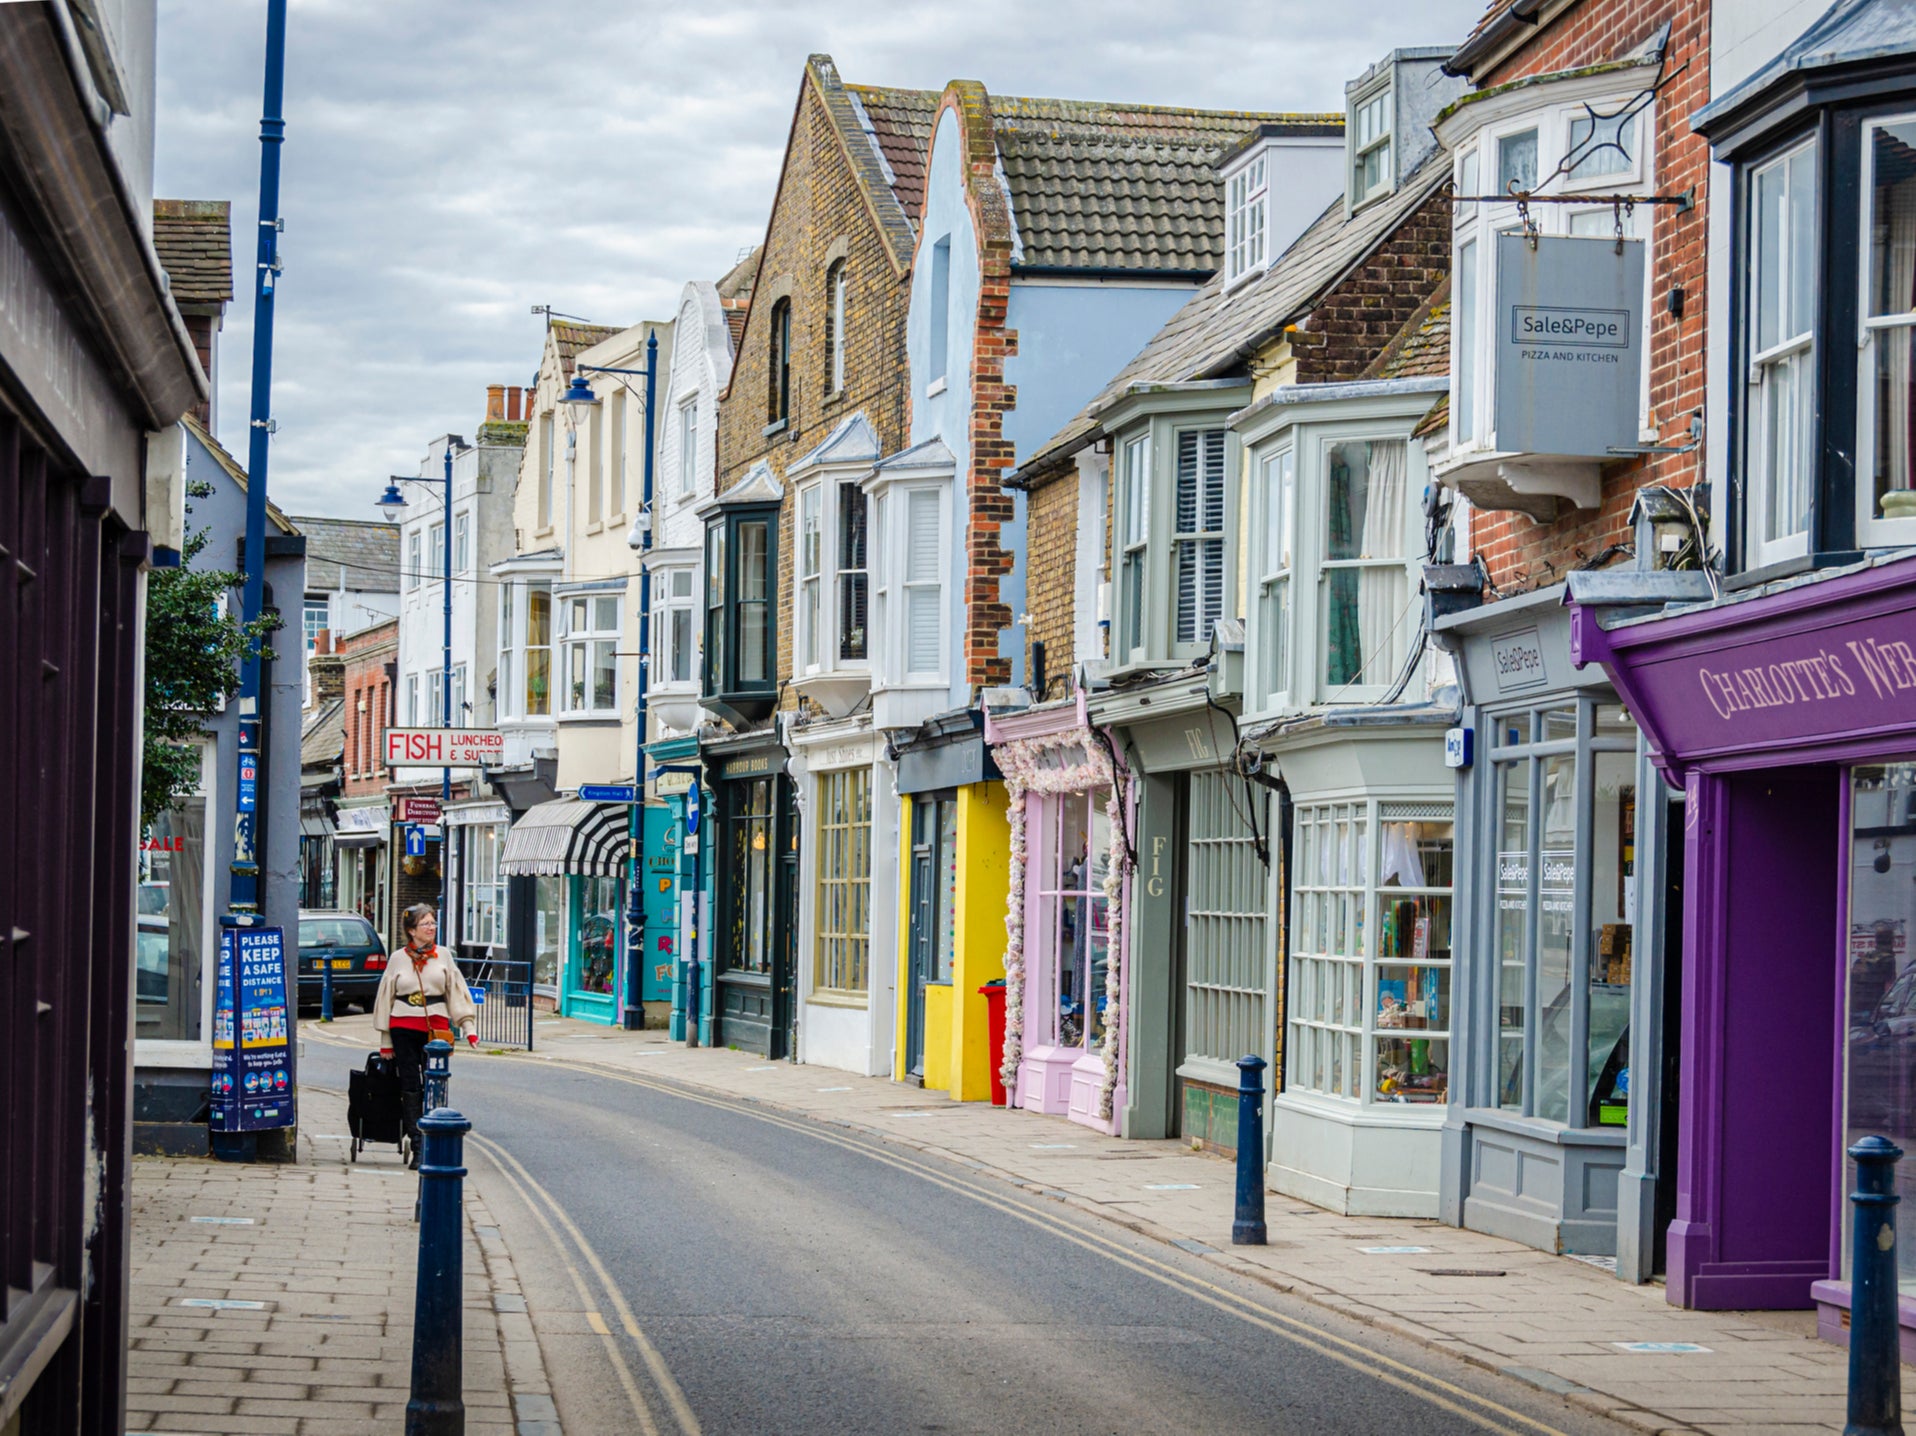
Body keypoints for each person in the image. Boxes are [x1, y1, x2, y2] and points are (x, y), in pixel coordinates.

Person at [372, 904, 478, 1166]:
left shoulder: (443, 956)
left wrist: (468, 1027)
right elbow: (387, 998)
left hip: (437, 1028)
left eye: (433, 923)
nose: (431, 928)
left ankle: (434, 1139)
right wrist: (385, 1042)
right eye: (425, 924)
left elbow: (456, 990)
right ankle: (418, 1145)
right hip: (403, 1027)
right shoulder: (397, 958)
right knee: (410, 1085)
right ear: (411, 930)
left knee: (435, 1083)